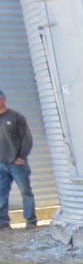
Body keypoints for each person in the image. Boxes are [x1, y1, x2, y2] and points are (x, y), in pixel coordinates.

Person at [0, 90, 37, 229]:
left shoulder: (16, 117)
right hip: (1, 164)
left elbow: (27, 139)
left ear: (4, 99)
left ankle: (31, 220)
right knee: (1, 194)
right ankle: (2, 222)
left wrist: (21, 157)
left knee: (25, 192)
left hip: (17, 163)